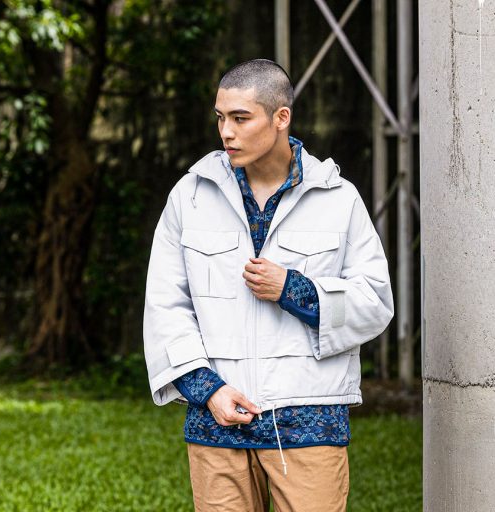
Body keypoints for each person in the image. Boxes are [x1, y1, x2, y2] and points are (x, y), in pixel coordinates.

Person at [143, 59, 393, 512]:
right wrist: (208, 391)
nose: (227, 132)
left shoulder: (338, 198)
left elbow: (375, 302)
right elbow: (166, 305)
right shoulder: (190, 196)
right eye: (221, 118)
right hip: (218, 421)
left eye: (241, 118)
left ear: (281, 117)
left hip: (310, 423)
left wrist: (294, 290)